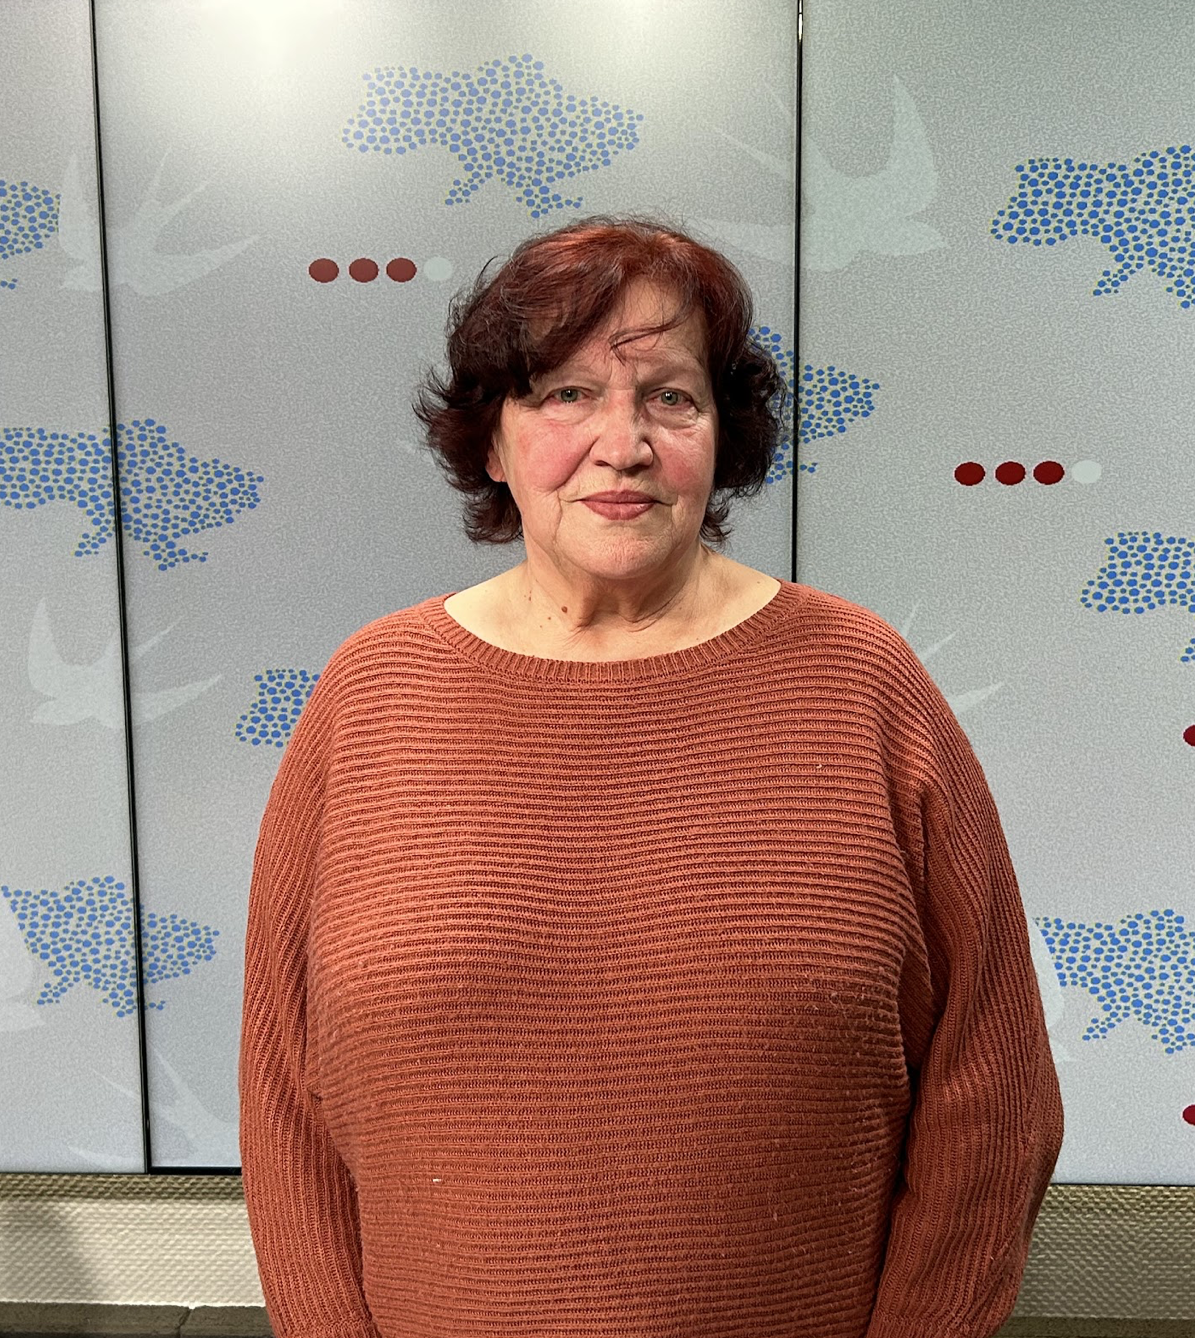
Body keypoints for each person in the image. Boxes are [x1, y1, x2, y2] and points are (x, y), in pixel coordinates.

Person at [239, 216, 1063, 1338]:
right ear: (493, 443)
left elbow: (994, 1089)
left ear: (724, 437)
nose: (620, 444)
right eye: (565, 395)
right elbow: (285, 1097)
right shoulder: (372, 694)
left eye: (670, 398)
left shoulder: (862, 682)